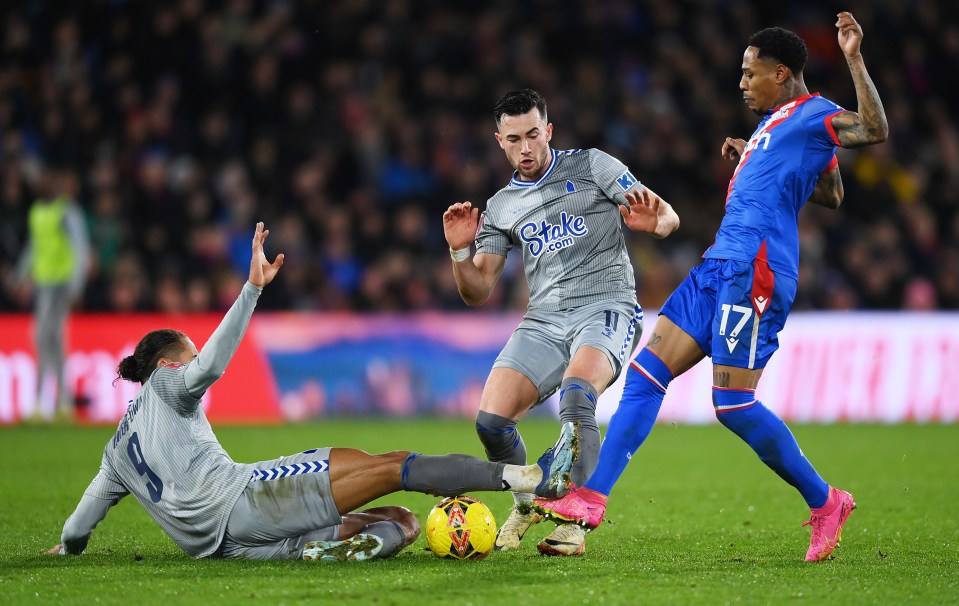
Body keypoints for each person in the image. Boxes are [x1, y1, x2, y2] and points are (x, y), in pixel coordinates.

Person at [534, 12, 888, 563]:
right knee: (647, 374)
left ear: (783, 73)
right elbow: (829, 191)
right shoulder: (776, 126)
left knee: (733, 404)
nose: (741, 83)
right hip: (718, 265)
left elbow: (873, 130)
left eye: (751, 74)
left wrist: (853, 58)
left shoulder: (816, 112)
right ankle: (591, 498)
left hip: (757, 271)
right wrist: (756, 153)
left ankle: (827, 502)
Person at [46, 223, 577, 562]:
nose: (192, 359)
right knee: (393, 464)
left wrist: (66, 549)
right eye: (187, 350)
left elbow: (78, 525)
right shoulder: (168, 383)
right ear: (166, 364)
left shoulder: (115, 451)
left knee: (402, 522)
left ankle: (318, 551)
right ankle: (518, 476)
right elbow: (207, 368)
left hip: (228, 551)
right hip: (247, 499)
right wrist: (252, 289)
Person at [442, 89, 680, 556]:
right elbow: (477, 289)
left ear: (548, 130)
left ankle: (574, 520)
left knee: (578, 395)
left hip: (606, 306)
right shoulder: (502, 205)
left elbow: (667, 213)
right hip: (544, 321)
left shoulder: (593, 165)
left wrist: (660, 225)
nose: (526, 148)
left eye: (534, 134)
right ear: (500, 142)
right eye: (515, 139)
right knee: (491, 422)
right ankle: (527, 505)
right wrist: (459, 252)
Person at [15, 164, 90, 421]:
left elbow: (80, 249)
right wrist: (21, 275)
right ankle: (61, 402)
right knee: (51, 341)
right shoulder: (38, 212)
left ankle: (45, 401)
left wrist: (76, 286)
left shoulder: (66, 212)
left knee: (44, 338)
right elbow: (35, 247)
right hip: (43, 285)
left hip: (60, 285)